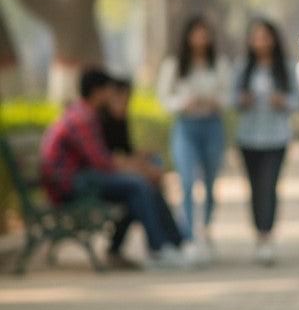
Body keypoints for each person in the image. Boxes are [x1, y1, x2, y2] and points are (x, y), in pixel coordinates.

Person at [40, 67, 194, 269]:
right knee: (138, 185)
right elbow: (102, 163)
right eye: (108, 90)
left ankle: (169, 246)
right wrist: (141, 170)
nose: (111, 94)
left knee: (137, 192)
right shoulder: (82, 118)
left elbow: (107, 160)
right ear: (97, 91)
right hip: (70, 185)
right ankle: (161, 249)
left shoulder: (86, 114)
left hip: (81, 180)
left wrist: (140, 166)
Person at [157, 15, 231, 254]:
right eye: (197, 32)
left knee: (209, 183)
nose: (201, 38)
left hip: (212, 126)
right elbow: (164, 98)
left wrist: (214, 102)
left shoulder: (218, 63)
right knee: (187, 181)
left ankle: (205, 229)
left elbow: (229, 96)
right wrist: (182, 103)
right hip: (185, 127)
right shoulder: (174, 65)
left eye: (205, 32)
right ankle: (188, 235)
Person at [100, 76, 184, 267]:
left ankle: (173, 244)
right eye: (118, 98)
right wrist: (143, 169)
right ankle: (161, 248)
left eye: (126, 99)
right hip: (96, 181)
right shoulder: (98, 120)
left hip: (111, 178)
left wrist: (145, 159)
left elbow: (126, 154)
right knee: (141, 189)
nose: (123, 104)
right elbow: (106, 162)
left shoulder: (119, 120)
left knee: (145, 190)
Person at [234, 18, 299, 265]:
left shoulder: (284, 67)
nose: (260, 41)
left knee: (269, 185)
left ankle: (267, 236)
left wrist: (283, 102)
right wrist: (242, 100)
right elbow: (231, 99)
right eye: (256, 37)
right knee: (253, 188)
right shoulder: (243, 68)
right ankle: (259, 235)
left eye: (265, 36)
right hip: (248, 137)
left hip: (276, 137)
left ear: (273, 39)